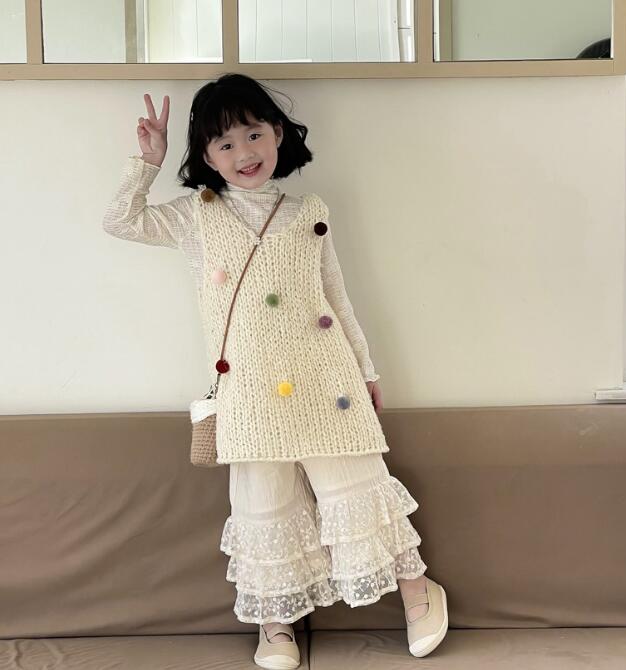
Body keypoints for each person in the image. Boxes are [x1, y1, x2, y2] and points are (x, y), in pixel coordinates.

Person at [102, 73, 448, 668]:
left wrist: (366, 369)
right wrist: (147, 162)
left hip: (327, 381)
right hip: (250, 392)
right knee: (262, 502)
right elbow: (120, 221)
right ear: (206, 156)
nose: (244, 152)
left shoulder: (310, 211)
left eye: (253, 134)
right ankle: (275, 621)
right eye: (224, 143)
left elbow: (336, 297)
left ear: (279, 134)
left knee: (355, 487)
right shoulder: (196, 216)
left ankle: (419, 591)